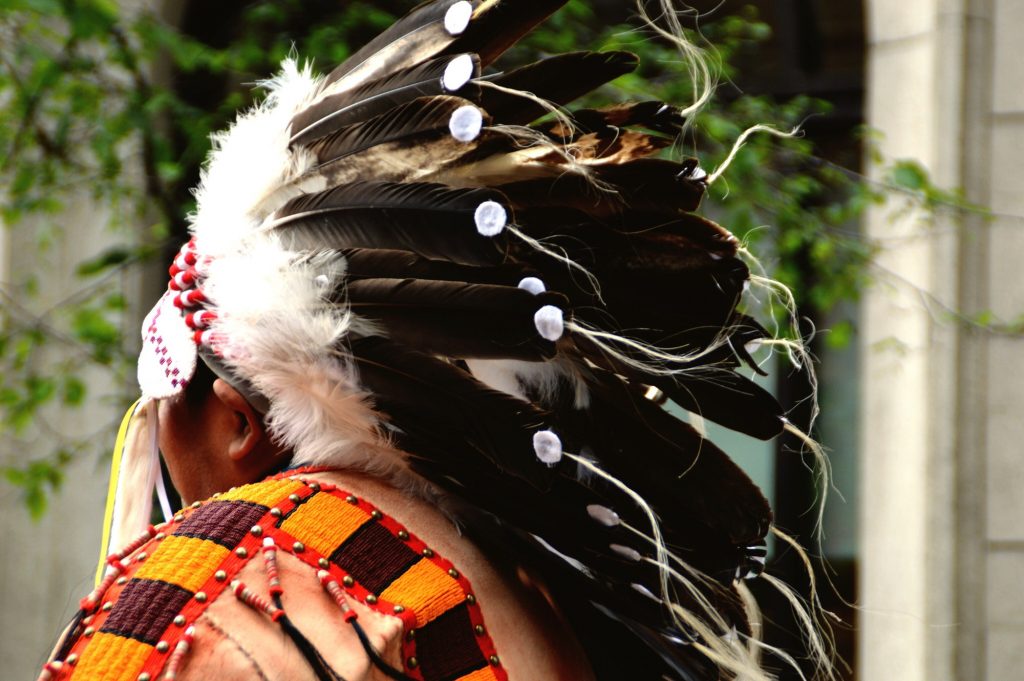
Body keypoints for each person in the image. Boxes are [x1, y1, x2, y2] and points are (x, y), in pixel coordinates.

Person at [37, 2, 832, 680]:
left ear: (238, 421)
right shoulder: (549, 605)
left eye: (161, 417)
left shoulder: (242, 562)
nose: (167, 481)